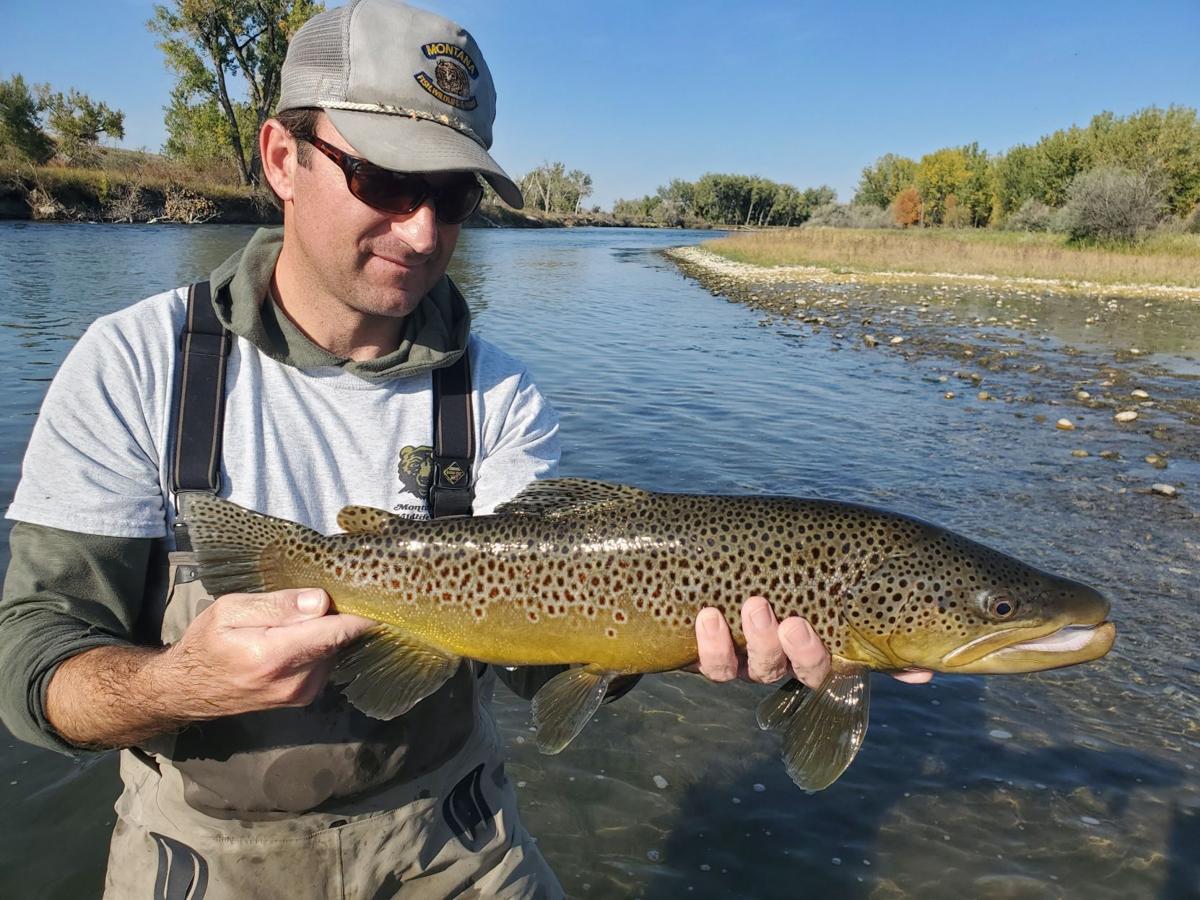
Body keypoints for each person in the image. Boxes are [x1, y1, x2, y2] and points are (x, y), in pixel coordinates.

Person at [0, 1, 929, 897]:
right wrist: (180, 681)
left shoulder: (498, 391)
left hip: (451, 831)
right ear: (282, 158)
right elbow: (32, 667)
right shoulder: (134, 365)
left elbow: (536, 652)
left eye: (451, 197)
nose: (423, 230)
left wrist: (665, 646)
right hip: (204, 851)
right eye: (388, 182)